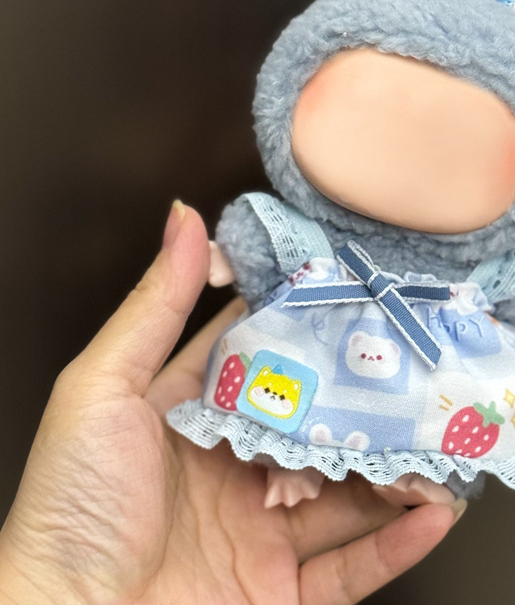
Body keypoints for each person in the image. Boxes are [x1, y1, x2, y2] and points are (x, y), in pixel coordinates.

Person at [0, 203, 466, 604]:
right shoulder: (311, 235)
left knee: (429, 407)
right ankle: (293, 465)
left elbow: (501, 280)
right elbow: (264, 231)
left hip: (393, 347)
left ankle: (421, 473)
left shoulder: (454, 263)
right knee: (284, 401)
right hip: (308, 335)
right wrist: (237, 253)